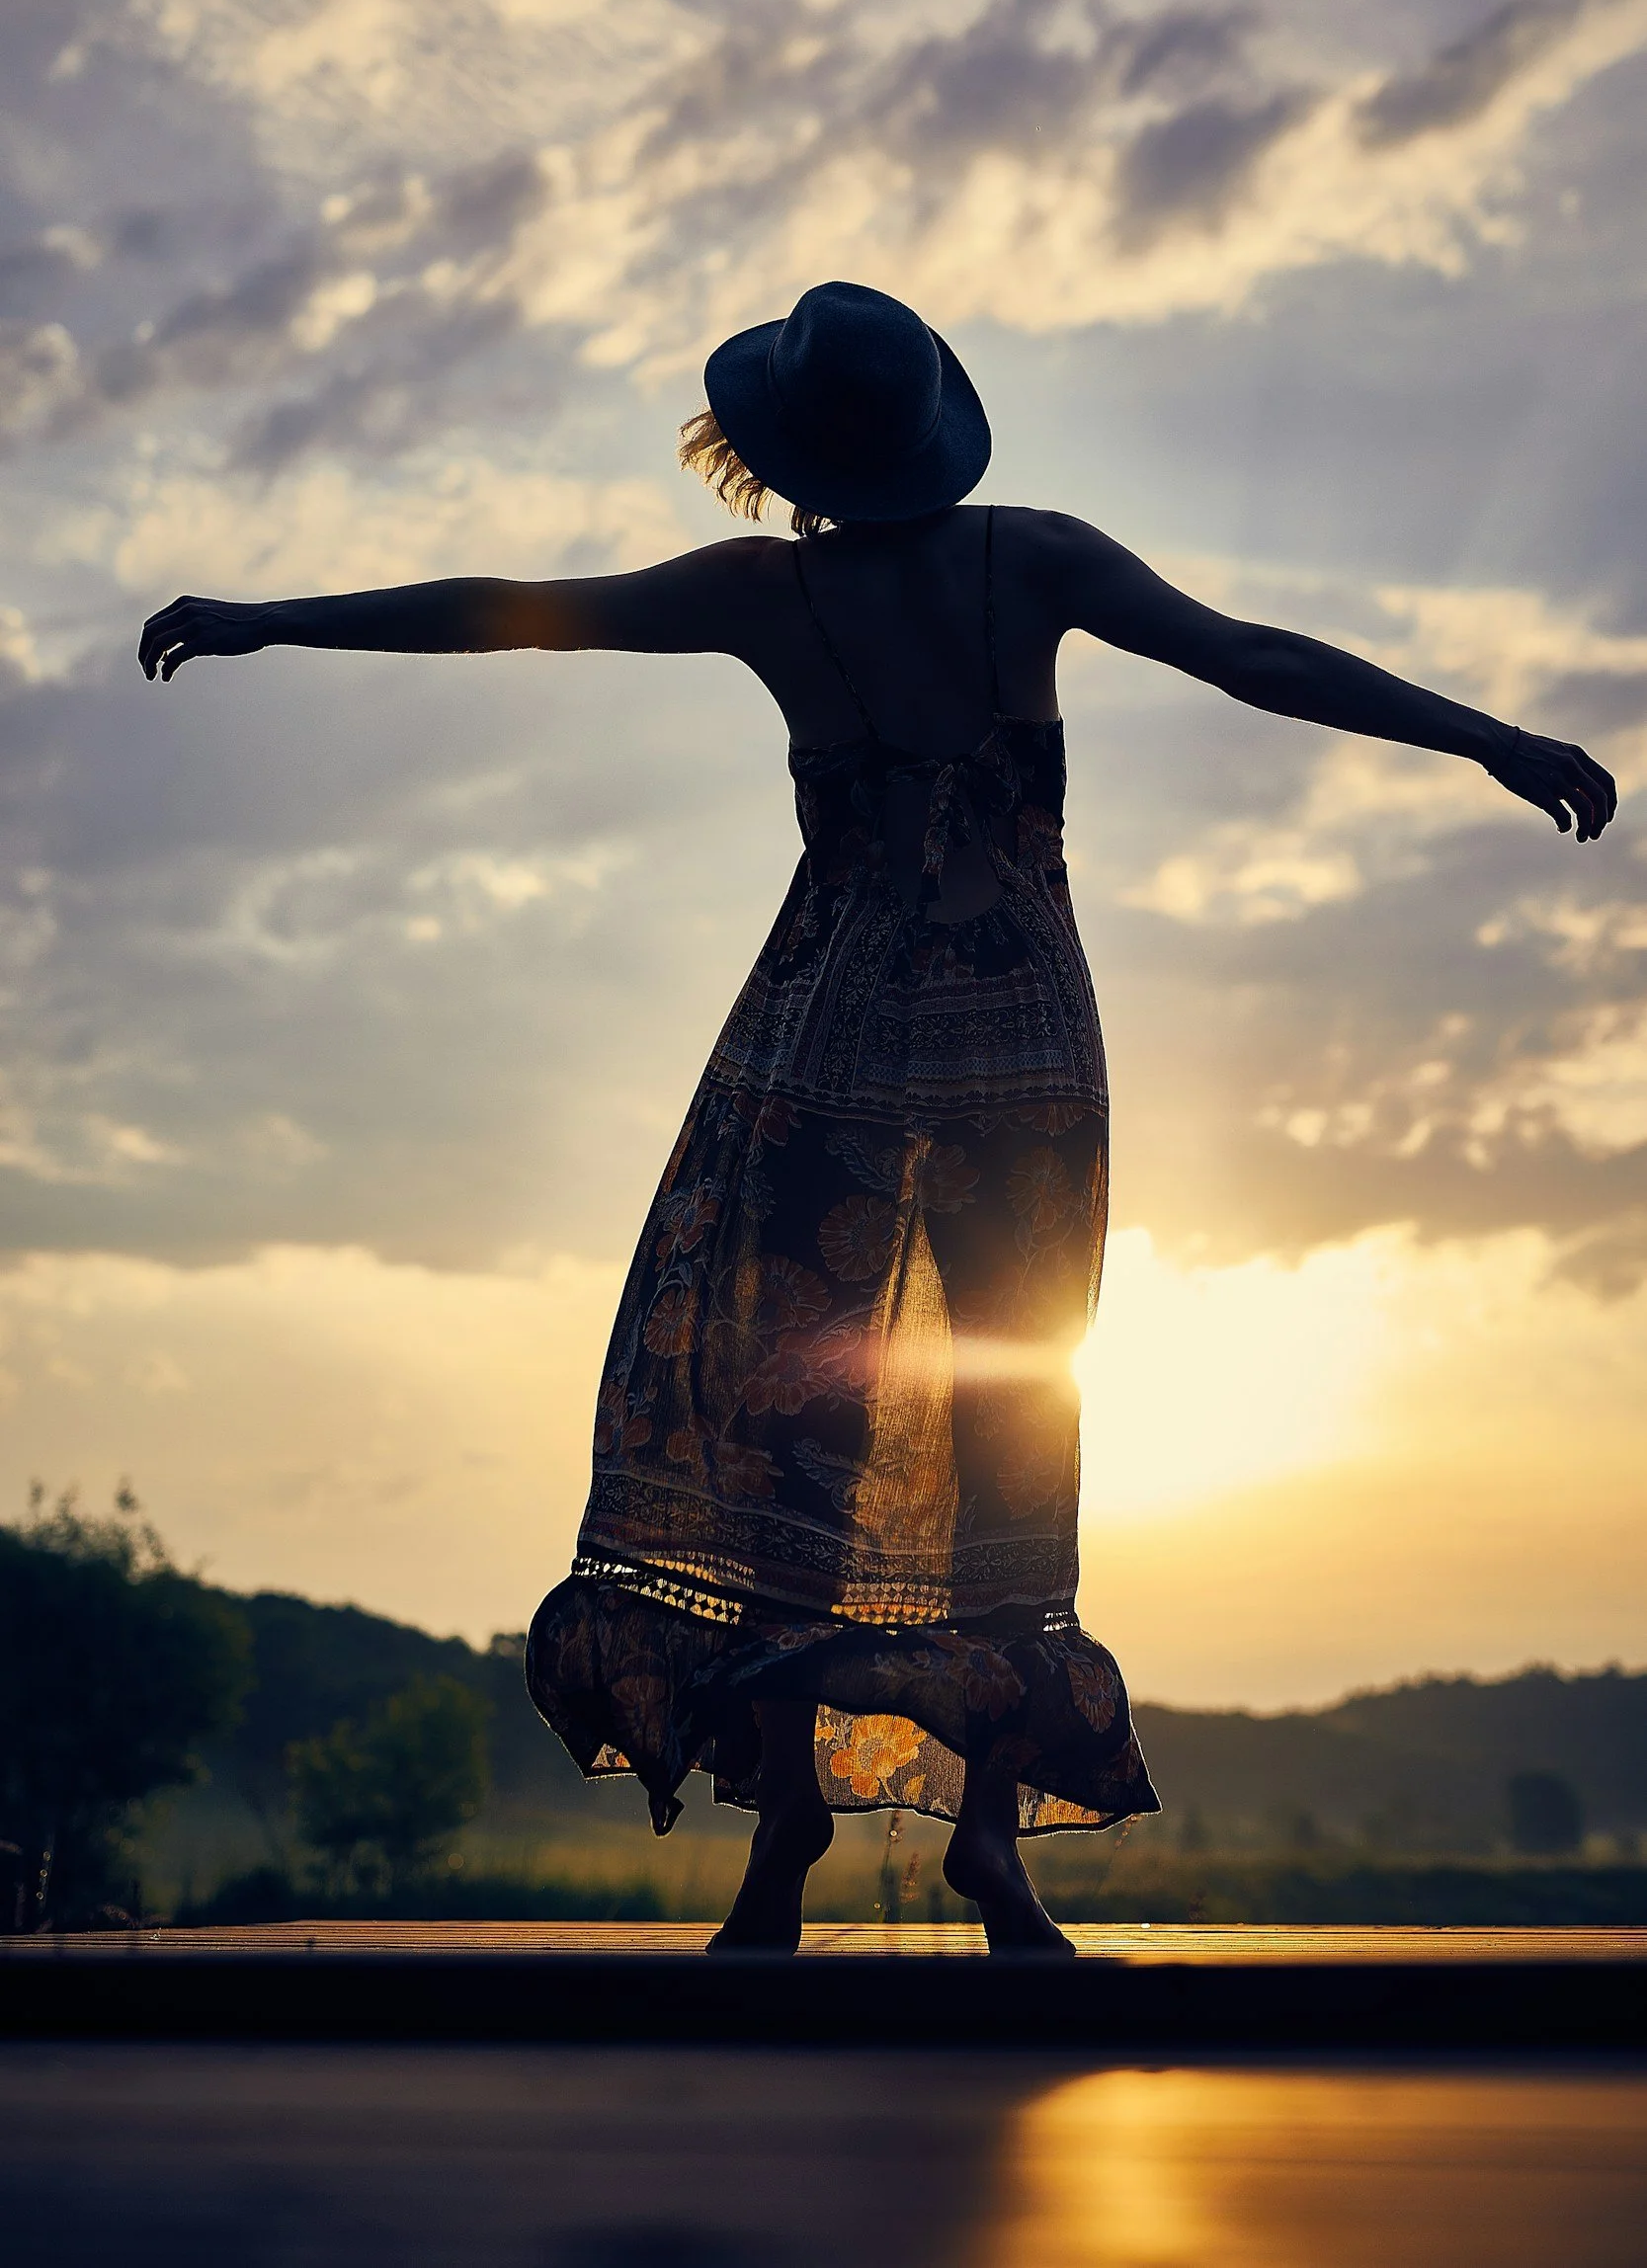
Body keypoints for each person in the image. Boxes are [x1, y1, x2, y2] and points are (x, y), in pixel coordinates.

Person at [140, 280, 1616, 1955]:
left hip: (823, 1051)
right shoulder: (1028, 556)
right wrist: (1487, 736)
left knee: (800, 1441)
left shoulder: (767, 596)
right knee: (1007, 1433)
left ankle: (783, 1852)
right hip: (1018, 1056)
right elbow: (1249, 659)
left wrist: (268, 615)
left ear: (786, 452)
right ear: (930, 431)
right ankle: (988, 1850)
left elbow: (512, 610)